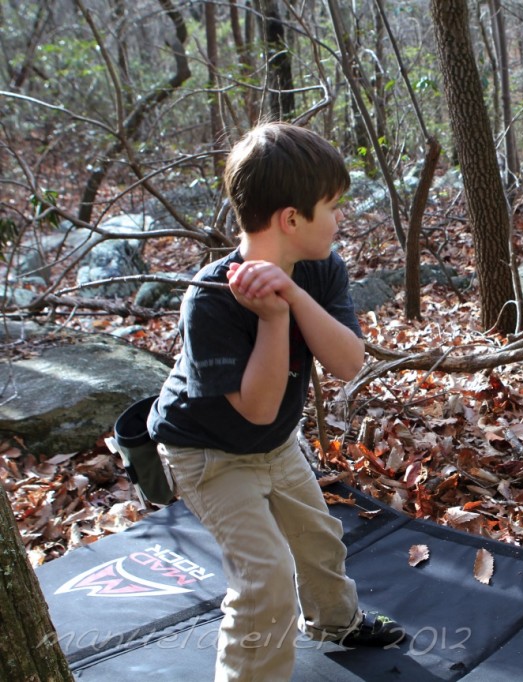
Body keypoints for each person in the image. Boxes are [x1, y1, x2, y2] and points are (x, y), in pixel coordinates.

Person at [147, 122, 404, 681]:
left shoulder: (320, 268)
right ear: (292, 219)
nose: (340, 220)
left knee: (317, 541)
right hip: (207, 453)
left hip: (274, 442)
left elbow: (347, 362)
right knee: (265, 578)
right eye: (332, 207)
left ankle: (336, 622)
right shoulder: (210, 298)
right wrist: (273, 317)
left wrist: (290, 294)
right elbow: (256, 407)